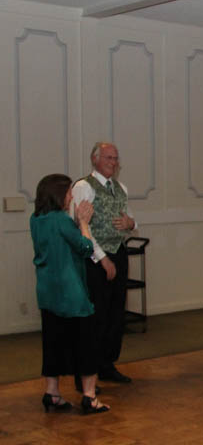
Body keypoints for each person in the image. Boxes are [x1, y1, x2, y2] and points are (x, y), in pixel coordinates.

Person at [31, 174, 108, 414]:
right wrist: (84, 223)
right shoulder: (61, 220)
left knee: (53, 342)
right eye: (68, 193)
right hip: (71, 292)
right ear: (57, 195)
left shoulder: (36, 219)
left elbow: (62, 244)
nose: (71, 197)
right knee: (86, 343)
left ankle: (52, 393)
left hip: (47, 292)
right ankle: (89, 396)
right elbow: (85, 248)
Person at [71, 142, 136, 386]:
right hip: (94, 259)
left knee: (115, 314)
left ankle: (106, 364)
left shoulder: (120, 188)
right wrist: (103, 259)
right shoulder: (83, 187)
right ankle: (86, 371)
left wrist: (131, 224)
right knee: (95, 317)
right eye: (109, 157)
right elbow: (80, 226)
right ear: (95, 159)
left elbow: (130, 218)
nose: (113, 162)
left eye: (116, 158)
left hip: (118, 252)